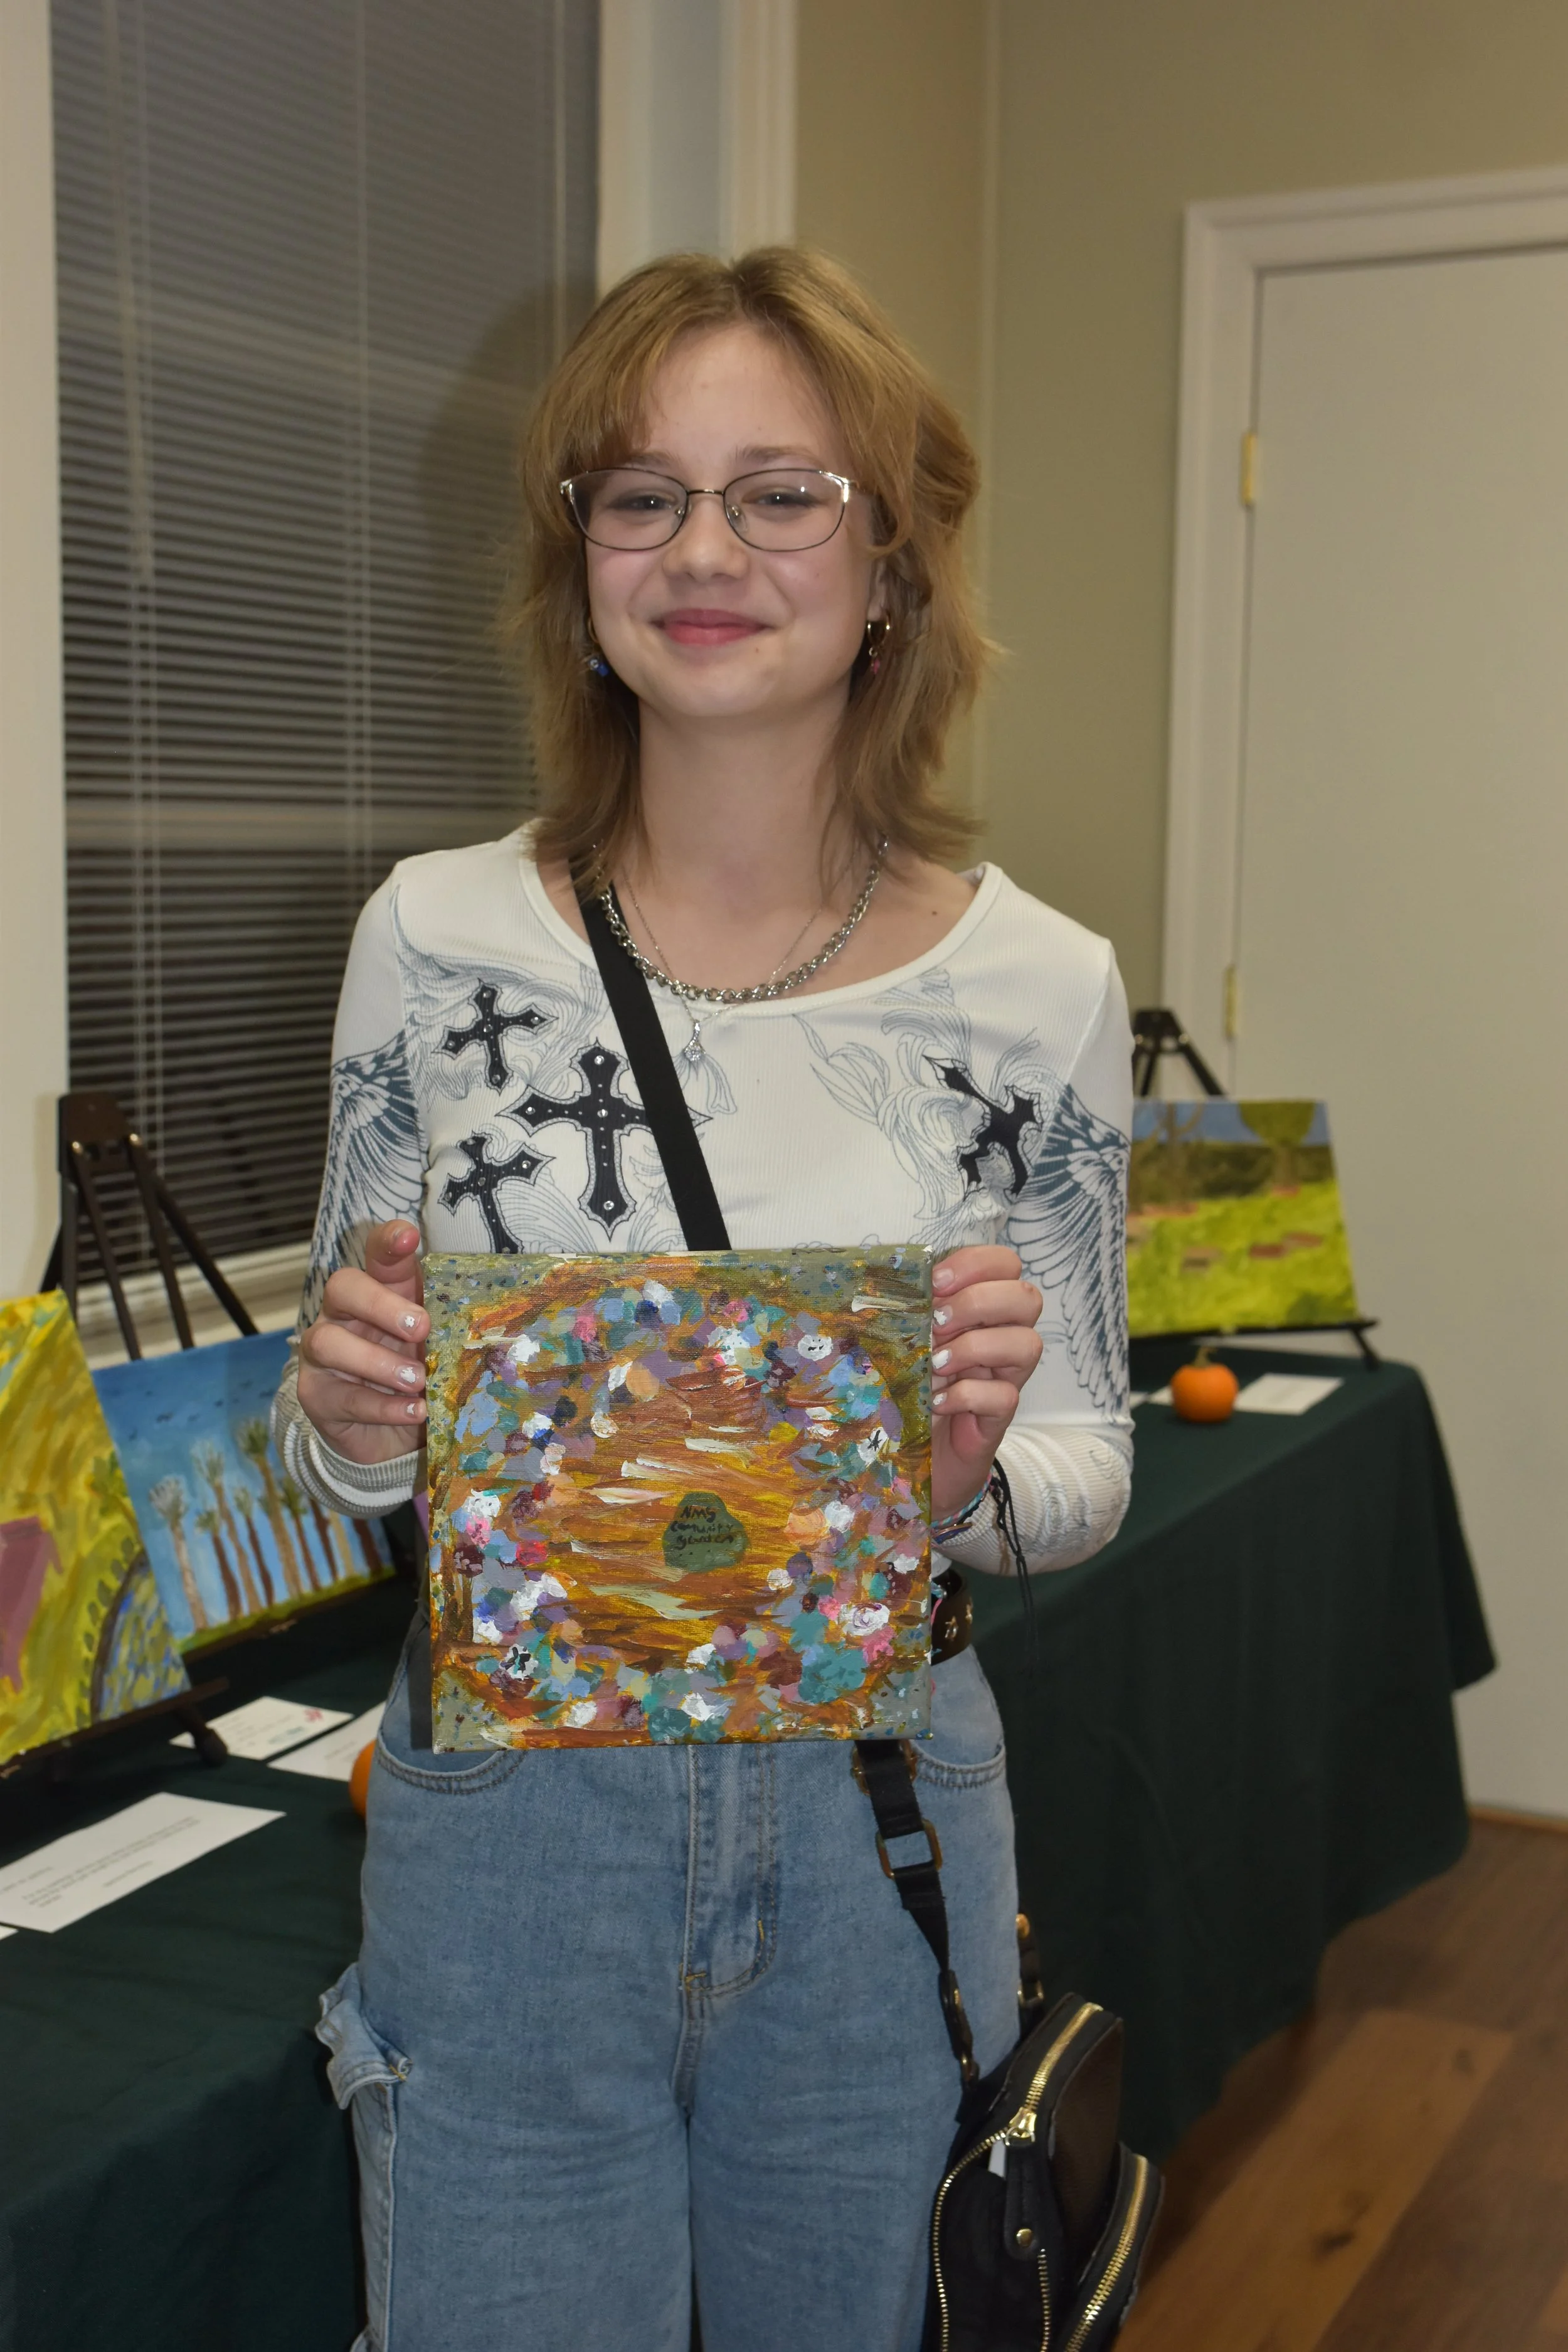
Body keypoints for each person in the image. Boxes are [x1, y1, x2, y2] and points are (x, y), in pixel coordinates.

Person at [274, 246, 1133, 2352]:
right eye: (640, 495)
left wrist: (946, 1479)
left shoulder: (1037, 986)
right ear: (579, 566)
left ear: (893, 560)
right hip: (508, 1820)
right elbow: (345, 1434)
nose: (705, 551)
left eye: (783, 492)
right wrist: (354, 1417)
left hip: (873, 1812)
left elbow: (1084, 1458)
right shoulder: (434, 939)